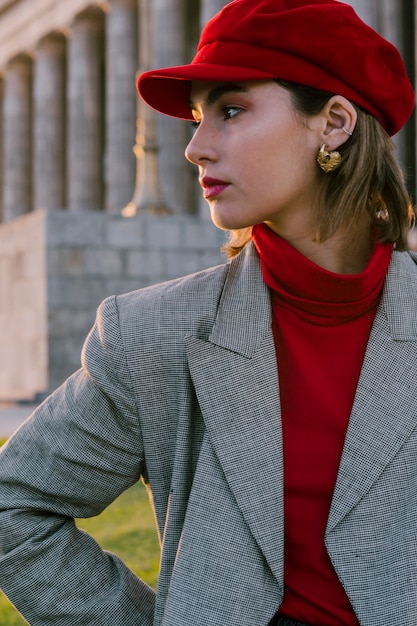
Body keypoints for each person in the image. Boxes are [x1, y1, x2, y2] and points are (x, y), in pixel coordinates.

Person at [0, 0, 416, 624]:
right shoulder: (152, 333)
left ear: (332, 122)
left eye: (229, 110)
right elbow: (15, 504)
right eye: (197, 119)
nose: (194, 148)